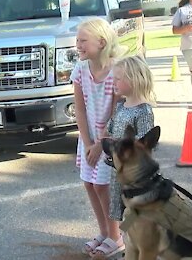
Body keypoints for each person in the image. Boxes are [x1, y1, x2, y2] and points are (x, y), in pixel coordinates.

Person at [71, 18, 125, 258]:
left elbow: (115, 113)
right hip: (88, 138)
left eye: (83, 40)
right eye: (77, 41)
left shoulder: (117, 72)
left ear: (102, 42)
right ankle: (104, 232)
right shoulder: (80, 70)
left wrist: (100, 144)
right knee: (89, 183)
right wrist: (87, 141)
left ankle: (116, 237)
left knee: (104, 186)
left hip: (108, 140)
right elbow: (79, 109)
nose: (78, 45)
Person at [97, 55, 156, 258]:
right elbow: (110, 129)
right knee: (123, 214)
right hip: (118, 172)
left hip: (135, 177)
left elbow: (145, 146)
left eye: (118, 79)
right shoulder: (121, 107)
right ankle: (128, 246)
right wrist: (105, 138)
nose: (114, 83)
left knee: (135, 215)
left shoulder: (144, 111)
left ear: (134, 80)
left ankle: (137, 250)